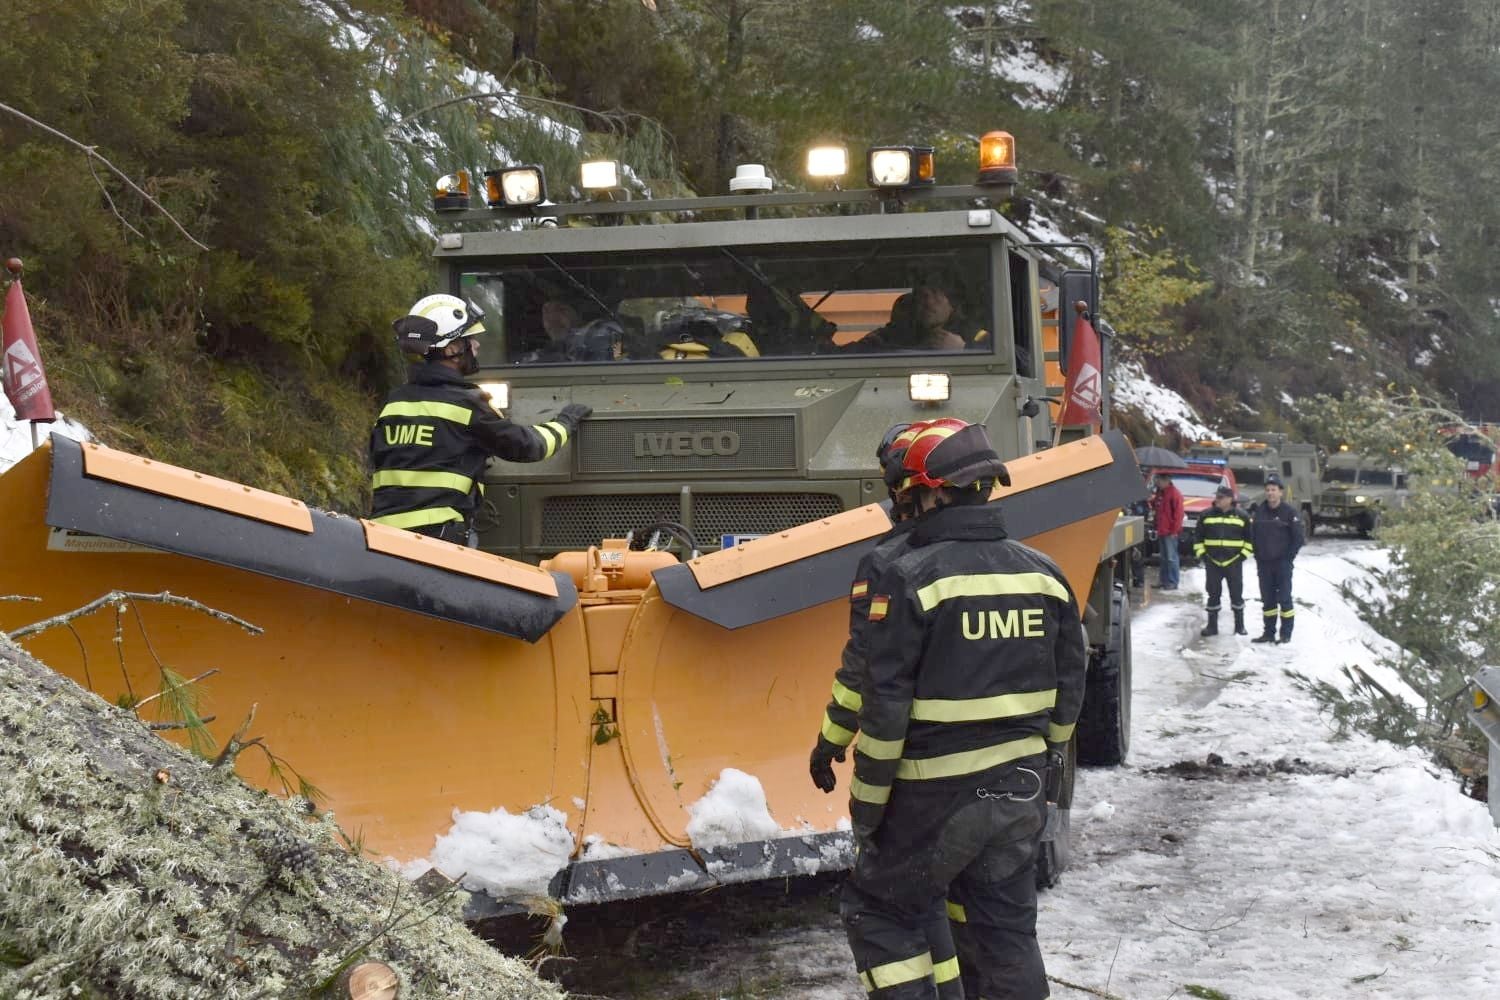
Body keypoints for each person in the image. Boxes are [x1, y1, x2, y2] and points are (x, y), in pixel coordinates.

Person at [840, 419, 1085, 1000]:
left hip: (931, 797)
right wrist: (1045, 769)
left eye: (907, 492)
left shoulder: (908, 576)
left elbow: (886, 707)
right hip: (1020, 791)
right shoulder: (1046, 574)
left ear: (934, 491)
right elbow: (1069, 690)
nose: (902, 505)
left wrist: (867, 809)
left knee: (880, 909)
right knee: (1005, 932)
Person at [810, 420, 963, 1000]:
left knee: (879, 903)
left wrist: (831, 744)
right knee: (933, 902)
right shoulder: (994, 557)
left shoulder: (888, 564)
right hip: (988, 781)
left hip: (910, 778)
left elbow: (866, 675)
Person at [370, 293, 591, 543]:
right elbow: (530, 446)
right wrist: (564, 423)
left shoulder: (394, 403)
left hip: (383, 539)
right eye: (470, 340)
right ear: (452, 348)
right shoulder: (467, 404)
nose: (476, 346)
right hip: (438, 538)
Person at [1249, 472, 1303, 643]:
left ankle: (1285, 634)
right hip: (1264, 564)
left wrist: (1288, 558)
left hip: (1282, 564)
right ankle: (1268, 633)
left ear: (1280, 492)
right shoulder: (1260, 511)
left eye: (1274, 490)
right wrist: (1257, 555)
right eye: (1268, 490)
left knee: (1284, 600)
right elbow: (1253, 536)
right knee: (1268, 601)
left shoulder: (1289, 512)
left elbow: (1298, 538)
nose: (1270, 493)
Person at [1193, 485, 1254, 636]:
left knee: (1236, 594)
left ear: (1230, 499)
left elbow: (1250, 540)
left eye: (1221, 497)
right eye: (1217, 497)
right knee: (1213, 593)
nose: (1217, 500)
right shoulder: (1206, 515)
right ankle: (1212, 626)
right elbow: (1198, 538)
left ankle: (1239, 626)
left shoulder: (1242, 516)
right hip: (1212, 561)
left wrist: (1241, 557)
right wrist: (1203, 556)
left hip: (1233, 562)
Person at [1152, 472, 1185, 590]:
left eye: (1159, 480)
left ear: (1166, 480)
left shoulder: (1174, 494)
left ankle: (1172, 581)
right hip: (1162, 530)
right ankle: (1164, 580)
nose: (1157, 482)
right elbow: (1157, 507)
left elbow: (1178, 514)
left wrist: (1174, 531)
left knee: (1171, 557)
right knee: (1164, 557)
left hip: (1170, 531)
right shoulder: (1161, 493)